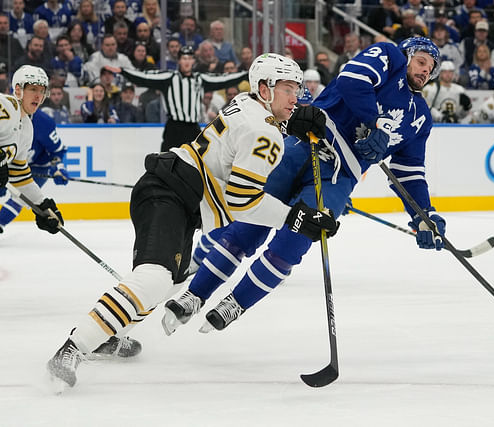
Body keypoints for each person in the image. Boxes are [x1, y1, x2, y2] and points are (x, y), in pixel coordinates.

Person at [46, 53, 337, 389]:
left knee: (170, 282)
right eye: (288, 88)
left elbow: (259, 127)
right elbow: (242, 202)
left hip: (177, 197)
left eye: (298, 88)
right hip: (168, 194)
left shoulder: (248, 103)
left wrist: (293, 119)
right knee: (154, 279)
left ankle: (106, 334)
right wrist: (293, 217)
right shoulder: (264, 132)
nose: (296, 96)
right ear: (264, 88)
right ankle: (72, 348)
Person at [162, 37, 447, 341]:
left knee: (295, 241)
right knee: (248, 225)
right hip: (303, 144)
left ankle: (236, 303)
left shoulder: (420, 118)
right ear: (406, 56)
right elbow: (354, 81)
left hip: (339, 177)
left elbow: (410, 171)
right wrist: (375, 123)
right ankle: (194, 295)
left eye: (431, 69)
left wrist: (424, 213)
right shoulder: (389, 57)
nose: (425, 71)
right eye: (421, 62)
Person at [107, 45, 247, 151]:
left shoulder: (200, 79)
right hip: (174, 127)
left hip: (193, 127)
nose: (187, 61)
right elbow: (145, 77)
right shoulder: (169, 77)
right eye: (184, 58)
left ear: (193, 61)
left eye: (189, 58)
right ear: (179, 61)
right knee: (166, 163)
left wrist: (245, 75)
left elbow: (224, 79)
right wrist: (124, 72)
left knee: (198, 163)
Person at [0, 65, 64, 237]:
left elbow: (19, 173)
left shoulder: (27, 128)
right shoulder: (6, 105)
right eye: (33, 89)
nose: (38, 95)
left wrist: (41, 205)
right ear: (18, 90)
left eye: (42, 91)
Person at [0, 107, 69, 233]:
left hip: (38, 165)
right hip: (9, 163)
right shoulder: (4, 114)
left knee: (21, 197)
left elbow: (57, 151)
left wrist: (58, 168)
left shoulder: (43, 123)